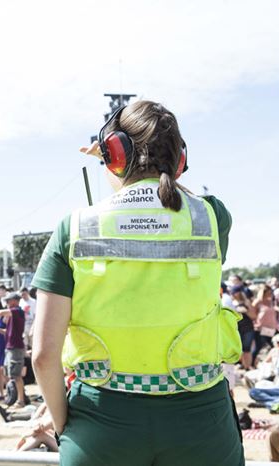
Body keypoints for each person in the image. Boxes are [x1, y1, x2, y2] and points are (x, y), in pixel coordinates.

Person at [31, 100, 244, 465]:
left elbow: (44, 356)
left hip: (99, 424)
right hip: (202, 424)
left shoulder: (74, 228)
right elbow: (180, 196)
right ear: (179, 162)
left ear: (114, 154)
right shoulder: (212, 219)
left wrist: (68, 427)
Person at [0, 292, 26, 409]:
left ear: (15, 301)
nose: (6, 303)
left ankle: (21, 400)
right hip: (10, 347)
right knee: (10, 374)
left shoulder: (17, 311)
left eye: (8, 301)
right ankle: (17, 397)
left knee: (16, 375)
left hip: (16, 348)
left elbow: (0, 312)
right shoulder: (12, 315)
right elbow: (8, 332)